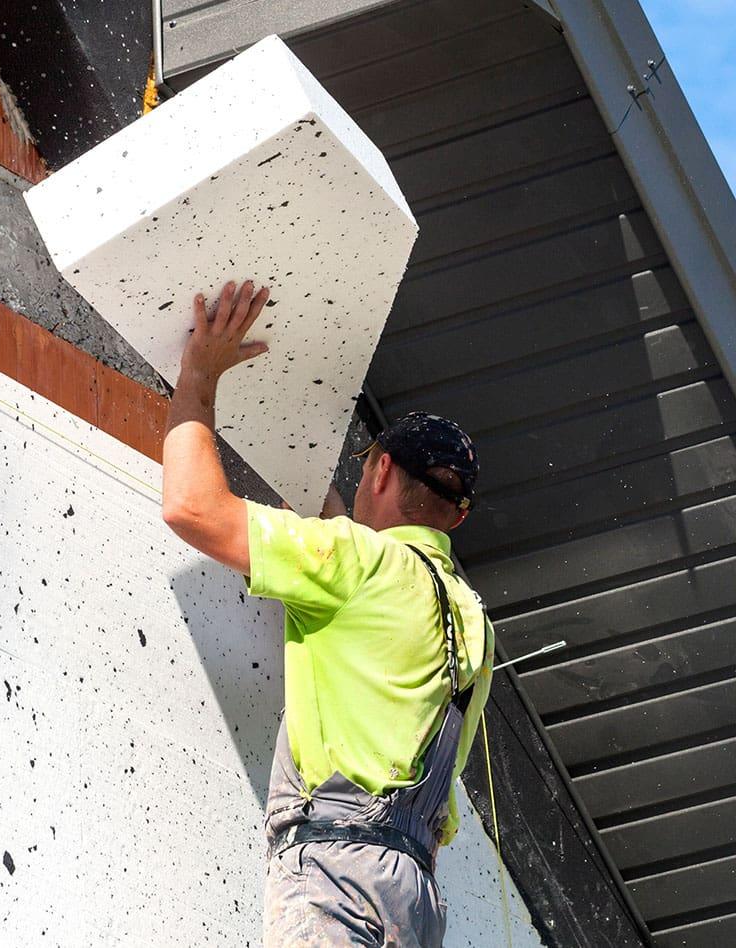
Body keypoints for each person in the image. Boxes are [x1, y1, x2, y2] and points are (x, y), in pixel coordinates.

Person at [161, 279, 493, 947]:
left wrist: (199, 372)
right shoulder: (469, 617)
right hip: (414, 896)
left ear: (380, 472)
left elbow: (191, 508)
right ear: (456, 517)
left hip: (337, 870)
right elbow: (362, 579)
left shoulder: (356, 565)